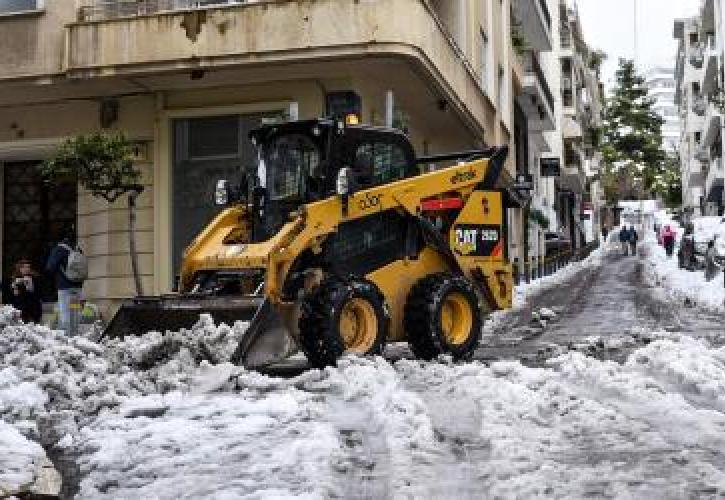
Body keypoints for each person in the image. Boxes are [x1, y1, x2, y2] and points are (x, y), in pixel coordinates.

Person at [46, 229, 85, 335]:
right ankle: (75, 336)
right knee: (74, 314)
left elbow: (50, 267)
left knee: (65, 314)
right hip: (77, 288)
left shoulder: (59, 249)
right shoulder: (78, 249)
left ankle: (67, 339)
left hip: (65, 288)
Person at [9, 259, 42, 323]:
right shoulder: (15, 279)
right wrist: (15, 286)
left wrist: (30, 284)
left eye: (28, 267)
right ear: (20, 269)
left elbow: (37, 293)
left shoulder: (35, 278)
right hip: (21, 308)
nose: (27, 269)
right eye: (24, 267)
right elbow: (15, 295)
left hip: (34, 308)